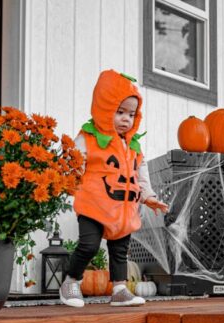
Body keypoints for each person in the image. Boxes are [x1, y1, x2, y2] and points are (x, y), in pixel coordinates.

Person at [60, 70, 168, 308]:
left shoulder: (133, 145)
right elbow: (74, 161)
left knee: (120, 251)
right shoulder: (88, 137)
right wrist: (69, 177)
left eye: (131, 114)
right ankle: (70, 282)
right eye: (120, 112)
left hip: (123, 208)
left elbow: (141, 173)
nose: (126, 119)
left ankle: (119, 290)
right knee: (88, 246)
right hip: (94, 205)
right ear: (104, 108)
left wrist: (148, 196)